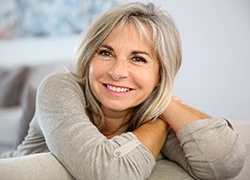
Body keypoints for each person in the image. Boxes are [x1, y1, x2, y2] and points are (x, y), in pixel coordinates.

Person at [0, 2, 247, 180]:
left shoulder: (150, 107)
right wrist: (159, 124)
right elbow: (110, 174)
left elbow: (225, 164)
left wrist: (165, 104)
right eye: (106, 53)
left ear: (161, 73)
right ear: (88, 57)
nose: (118, 71)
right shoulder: (60, 87)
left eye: (138, 59)